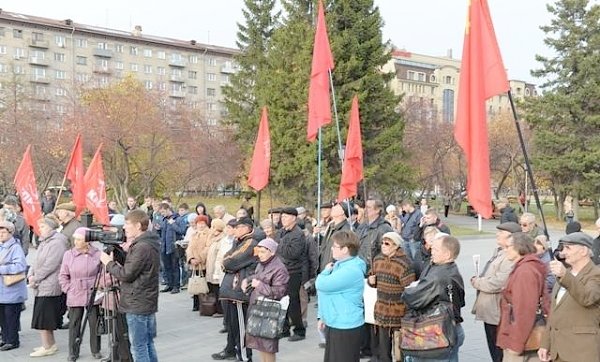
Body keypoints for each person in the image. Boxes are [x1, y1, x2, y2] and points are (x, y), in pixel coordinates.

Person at [100, 210, 161, 362]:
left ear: (138, 226)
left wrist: (108, 263)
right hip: (145, 300)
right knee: (147, 343)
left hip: (137, 302)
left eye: (127, 224)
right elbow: (134, 265)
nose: (124, 227)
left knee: (138, 346)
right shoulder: (148, 243)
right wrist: (119, 252)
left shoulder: (142, 246)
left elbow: (126, 274)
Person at [401, 235, 466, 362]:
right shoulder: (451, 268)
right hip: (450, 329)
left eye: (435, 249)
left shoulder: (438, 276)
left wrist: (408, 290)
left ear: (447, 254)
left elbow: (412, 298)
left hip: (438, 334)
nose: (431, 251)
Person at [538, 232, 600, 362]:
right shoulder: (565, 275)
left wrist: (565, 275)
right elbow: (554, 312)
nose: (563, 252)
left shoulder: (595, 274)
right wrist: (545, 344)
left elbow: (587, 297)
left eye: (568, 248)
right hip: (558, 352)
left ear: (583, 251)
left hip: (582, 352)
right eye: (563, 248)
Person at [470, 222, 519, 362]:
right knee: (493, 348)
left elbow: (498, 283)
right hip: (490, 310)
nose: (497, 235)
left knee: (498, 351)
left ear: (511, 238)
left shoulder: (510, 256)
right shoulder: (499, 251)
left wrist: (477, 282)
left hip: (497, 311)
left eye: (501, 233)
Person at [497, 232, 549, 361]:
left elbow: (525, 311)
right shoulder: (528, 266)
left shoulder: (525, 271)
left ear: (519, 247)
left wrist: (516, 344)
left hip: (523, 341)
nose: (505, 250)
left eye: (508, 246)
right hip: (524, 337)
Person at [212, 217, 258, 361]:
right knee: (232, 324)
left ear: (246, 228)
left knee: (241, 325)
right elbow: (227, 257)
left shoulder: (250, 242)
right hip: (232, 289)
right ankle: (230, 348)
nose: (235, 230)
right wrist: (227, 262)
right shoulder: (239, 241)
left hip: (239, 290)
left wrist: (227, 264)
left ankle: (244, 356)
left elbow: (230, 261)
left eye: (238, 227)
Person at [316, 230, 366, 362]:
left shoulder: (351, 270)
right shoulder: (340, 265)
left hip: (345, 325)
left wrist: (325, 271)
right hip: (335, 321)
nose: (332, 249)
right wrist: (322, 316)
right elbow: (325, 294)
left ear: (345, 249)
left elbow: (321, 285)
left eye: (335, 246)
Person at [367, 231, 415, 362]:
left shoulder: (404, 263)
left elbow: (410, 290)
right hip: (381, 310)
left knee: (400, 349)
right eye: (382, 243)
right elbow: (373, 281)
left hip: (399, 311)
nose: (383, 245)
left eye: (387, 243)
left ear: (396, 245)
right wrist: (370, 281)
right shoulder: (377, 259)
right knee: (383, 350)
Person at [59, 227, 103, 361]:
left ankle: (96, 350)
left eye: (79, 239)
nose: (76, 242)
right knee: (74, 323)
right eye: (75, 239)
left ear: (87, 241)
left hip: (93, 291)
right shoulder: (69, 254)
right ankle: (73, 352)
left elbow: (103, 272)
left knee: (94, 322)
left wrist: (99, 287)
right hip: (75, 291)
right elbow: (63, 275)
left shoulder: (97, 253)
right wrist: (68, 288)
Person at [242, 238, 289, 362]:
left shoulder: (279, 268)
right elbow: (257, 277)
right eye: (259, 251)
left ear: (272, 252)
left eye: (263, 252)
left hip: (269, 312)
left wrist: (259, 285)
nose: (260, 255)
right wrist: (247, 280)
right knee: (260, 344)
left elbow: (279, 292)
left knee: (268, 345)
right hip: (258, 308)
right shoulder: (262, 264)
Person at [28, 215, 68, 357]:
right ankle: (50, 344)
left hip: (50, 285)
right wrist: (31, 274)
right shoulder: (45, 241)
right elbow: (37, 261)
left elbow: (51, 265)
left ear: (51, 227)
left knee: (43, 318)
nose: (40, 229)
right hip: (41, 284)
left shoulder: (57, 242)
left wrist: (36, 278)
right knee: (43, 317)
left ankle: (47, 346)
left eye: (43, 226)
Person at [276, 207, 307, 341]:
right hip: (282, 270)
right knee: (282, 301)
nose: (283, 220)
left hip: (293, 271)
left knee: (293, 301)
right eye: (282, 217)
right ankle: (285, 328)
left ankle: (299, 330)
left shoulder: (298, 234)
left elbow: (292, 253)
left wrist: (280, 245)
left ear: (294, 218)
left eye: (286, 217)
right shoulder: (282, 232)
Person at [0, 220, 28, 351]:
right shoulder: (2, 246)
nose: (0, 234)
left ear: (11, 233)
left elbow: (20, 266)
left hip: (12, 288)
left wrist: (2, 269)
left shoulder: (15, 247)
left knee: (11, 316)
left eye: (3, 232)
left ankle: (12, 340)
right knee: (3, 316)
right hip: (2, 289)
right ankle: (5, 338)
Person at [186, 215, 212, 311]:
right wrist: (191, 258)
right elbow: (189, 248)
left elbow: (208, 247)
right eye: (199, 224)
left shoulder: (209, 234)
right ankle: (196, 304)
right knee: (195, 282)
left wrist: (199, 258)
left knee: (204, 284)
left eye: (202, 223)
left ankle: (205, 305)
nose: (200, 226)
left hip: (203, 263)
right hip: (194, 264)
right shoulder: (194, 234)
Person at [157, 203, 182, 294]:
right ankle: (169, 284)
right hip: (164, 246)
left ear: (168, 209)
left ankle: (176, 286)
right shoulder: (163, 219)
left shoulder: (177, 219)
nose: (162, 214)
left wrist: (173, 224)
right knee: (166, 267)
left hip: (174, 246)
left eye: (163, 212)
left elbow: (181, 231)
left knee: (175, 266)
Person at [205, 219, 227, 316]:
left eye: (214, 227)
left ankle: (220, 310)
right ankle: (213, 308)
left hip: (216, 268)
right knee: (213, 289)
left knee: (217, 289)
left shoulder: (222, 240)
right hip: (210, 267)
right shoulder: (212, 238)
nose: (212, 229)